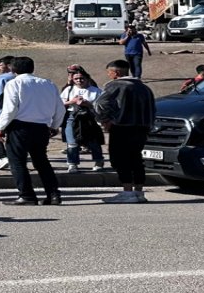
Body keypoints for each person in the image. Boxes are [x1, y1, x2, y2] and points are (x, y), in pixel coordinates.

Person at [0, 56, 65, 206]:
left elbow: (10, 108)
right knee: (41, 161)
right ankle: (53, 194)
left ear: (13, 69)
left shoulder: (14, 83)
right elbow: (60, 108)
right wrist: (55, 125)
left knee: (17, 161)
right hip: (41, 127)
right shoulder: (47, 83)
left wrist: (0, 128)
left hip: (20, 126)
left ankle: (26, 195)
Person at [95, 59, 156, 203]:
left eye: (109, 72)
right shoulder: (144, 88)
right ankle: (139, 192)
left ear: (116, 73)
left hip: (122, 127)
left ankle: (127, 192)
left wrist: (105, 119)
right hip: (142, 128)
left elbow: (101, 103)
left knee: (120, 159)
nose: (108, 75)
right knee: (136, 159)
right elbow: (153, 109)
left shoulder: (116, 85)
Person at [60, 65, 105, 173]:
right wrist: (72, 101)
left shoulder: (96, 91)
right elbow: (60, 104)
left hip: (89, 118)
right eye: (76, 79)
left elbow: (102, 106)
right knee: (72, 142)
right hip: (72, 117)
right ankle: (72, 164)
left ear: (87, 79)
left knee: (93, 141)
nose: (79, 81)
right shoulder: (68, 89)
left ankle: (98, 161)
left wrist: (88, 104)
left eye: (82, 78)